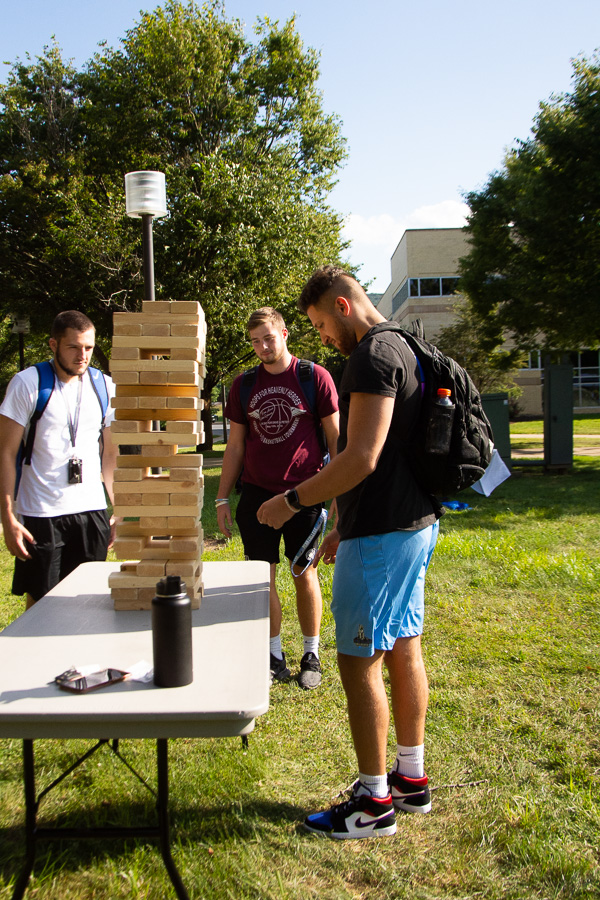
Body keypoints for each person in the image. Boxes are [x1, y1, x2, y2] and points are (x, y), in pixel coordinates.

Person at [257, 266, 442, 839]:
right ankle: (410, 779)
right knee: (404, 645)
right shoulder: (408, 344)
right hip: (414, 523)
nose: (322, 338)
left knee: (358, 662)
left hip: (384, 535)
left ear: (341, 306)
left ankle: (373, 804)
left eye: (318, 324)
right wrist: (341, 525)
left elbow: (359, 457)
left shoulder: (369, 355)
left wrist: (291, 501)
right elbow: (387, 456)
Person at [216, 307, 339, 690]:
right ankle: (273, 655)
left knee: (304, 572)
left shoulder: (313, 376)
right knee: (261, 579)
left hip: (305, 493)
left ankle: (311, 653)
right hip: (256, 495)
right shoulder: (244, 385)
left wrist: (337, 493)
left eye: (268, 338)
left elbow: (337, 439)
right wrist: (222, 498)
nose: (263, 347)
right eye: (255, 341)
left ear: (284, 334)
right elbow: (235, 446)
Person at [0, 310, 117, 609]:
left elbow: (110, 453)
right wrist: (8, 517)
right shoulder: (27, 383)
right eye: (73, 347)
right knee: (42, 604)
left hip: (91, 510)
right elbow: (6, 451)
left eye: (89, 348)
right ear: (53, 345)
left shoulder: (104, 386)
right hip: (42, 512)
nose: (82, 355)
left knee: (90, 602)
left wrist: (118, 506)